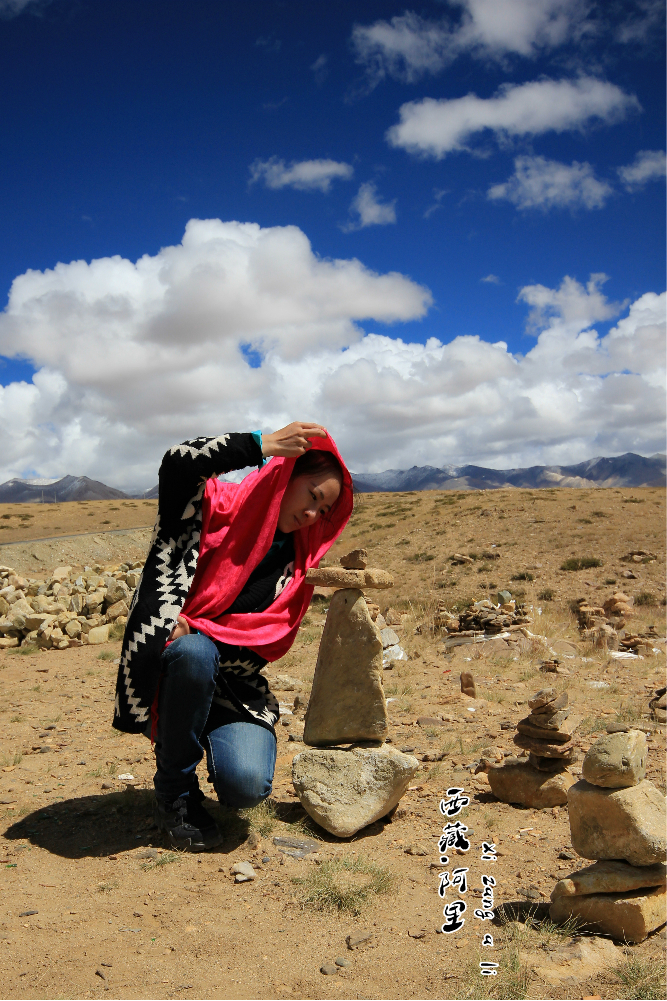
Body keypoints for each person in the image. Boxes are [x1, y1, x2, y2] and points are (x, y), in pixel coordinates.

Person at [112, 422, 352, 851]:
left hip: (236, 690)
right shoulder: (212, 508)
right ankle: (175, 791)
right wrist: (261, 444)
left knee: (247, 788)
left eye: (324, 511)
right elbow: (177, 463)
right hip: (177, 673)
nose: (312, 514)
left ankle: (202, 736)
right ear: (287, 474)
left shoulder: (297, 568)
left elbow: (265, 647)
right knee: (193, 652)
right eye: (313, 496)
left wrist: (200, 626)